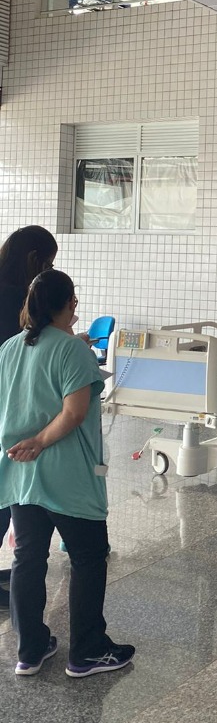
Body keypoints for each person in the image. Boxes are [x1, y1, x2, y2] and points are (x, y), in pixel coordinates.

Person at [0, 269, 134, 677]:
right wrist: (41, 440)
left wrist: (27, 443)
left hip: (22, 473)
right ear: (71, 303)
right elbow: (74, 413)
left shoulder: (10, 348)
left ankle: (30, 649)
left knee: (28, 559)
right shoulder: (73, 351)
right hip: (67, 475)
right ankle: (87, 651)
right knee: (89, 557)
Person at [0, 225, 59, 609]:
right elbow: (23, 350)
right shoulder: (12, 298)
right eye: (48, 264)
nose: (47, 271)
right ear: (34, 259)